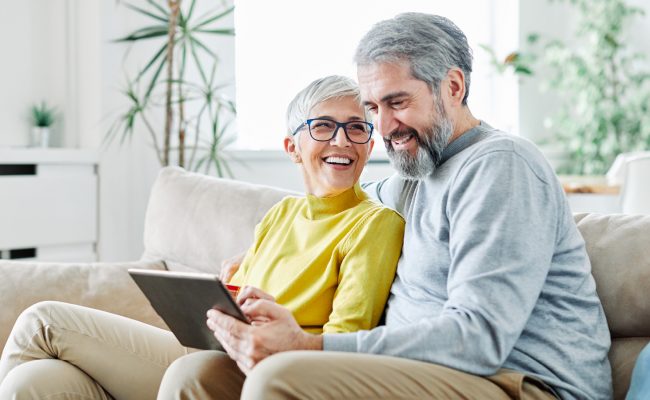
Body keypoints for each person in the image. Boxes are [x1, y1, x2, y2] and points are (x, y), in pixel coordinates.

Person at [181, 12, 613, 400]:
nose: (383, 128)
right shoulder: (415, 174)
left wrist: (308, 346)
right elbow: (336, 206)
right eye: (372, 107)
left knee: (279, 377)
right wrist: (264, 249)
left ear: (454, 87)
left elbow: (478, 340)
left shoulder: (500, 167)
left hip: (518, 382)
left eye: (398, 102)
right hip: (419, 373)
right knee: (200, 374)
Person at [0, 75, 405, 399]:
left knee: (43, 320)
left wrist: (278, 329)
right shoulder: (282, 214)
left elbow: (344, 341)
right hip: (208, 347)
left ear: (370, 145)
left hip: (254, 368)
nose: (341, 141)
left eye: (356, 128)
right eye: (323, 127)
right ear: (292, 147)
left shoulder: (375, 223)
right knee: (35, 383)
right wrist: (227, 288)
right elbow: (238, 299)